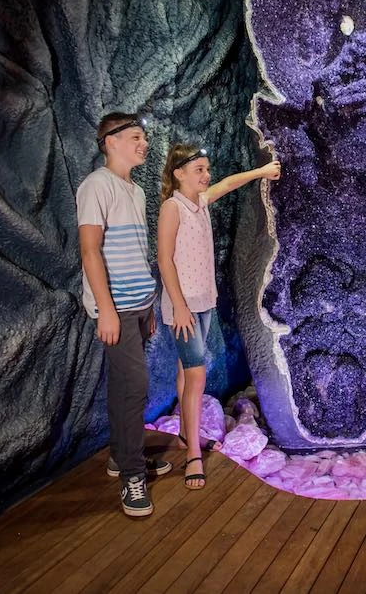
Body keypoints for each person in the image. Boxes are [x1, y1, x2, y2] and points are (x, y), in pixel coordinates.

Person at [157, 144, 281, 489]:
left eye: (206, 169)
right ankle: (193, 454)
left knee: (186, 371)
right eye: (198, 169)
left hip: (204, 302)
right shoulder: (172, 207)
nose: (206, 175)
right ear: (178, 173)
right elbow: (164, 259)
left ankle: (185, 430)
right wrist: (179, 305)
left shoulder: (198, 202)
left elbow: (226, 185)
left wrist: (261, 173)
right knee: (196, 376)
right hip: (183, 308)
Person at [77, 112, 172, 518]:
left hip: (138, 305)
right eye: (136, 136)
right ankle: (133, 475)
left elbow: (136, 252)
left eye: (143, 138)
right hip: (114, 308)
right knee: (135, 387)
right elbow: (89, 251)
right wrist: (106, 311)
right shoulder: (95, 186)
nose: (143, 144)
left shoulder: (134, 190)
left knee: (122, 387)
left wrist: (148, 305)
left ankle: (121, 456)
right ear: (109, 141)